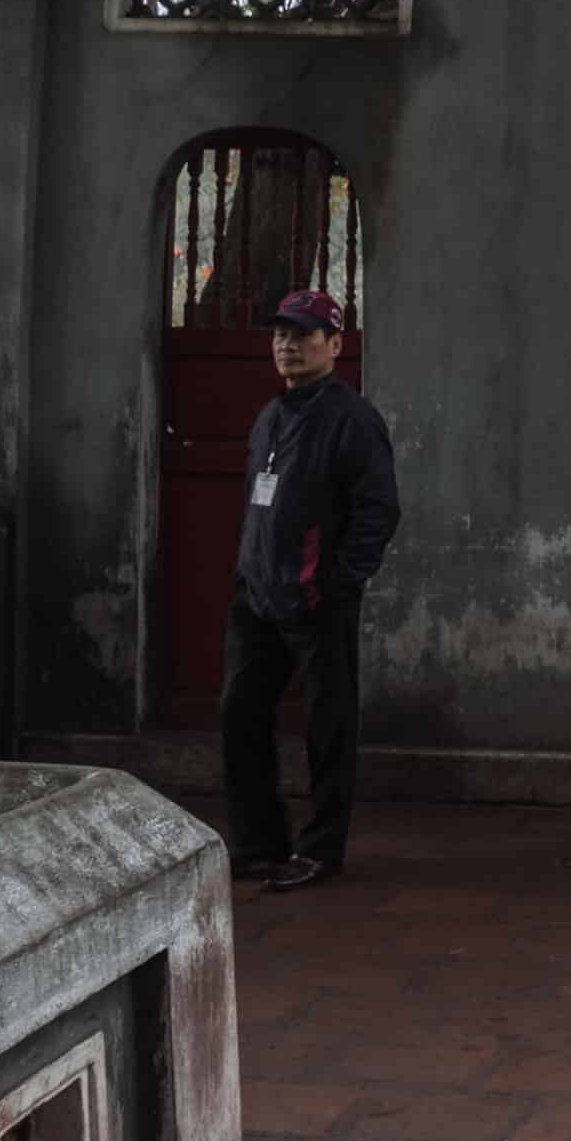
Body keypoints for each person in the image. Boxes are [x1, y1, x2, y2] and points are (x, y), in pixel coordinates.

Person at [220, 289, 400, 892]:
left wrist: (339, 581)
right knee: (240, 714)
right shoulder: (272, 415)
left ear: (335, 345)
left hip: (317, 599)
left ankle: (321, 850)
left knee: (328, 726)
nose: (287, 345)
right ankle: (258, 843)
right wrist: (248, 571)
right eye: (280, 335)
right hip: (259, 596)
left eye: (302, 335)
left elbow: (378, 509)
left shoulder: (352, 420)